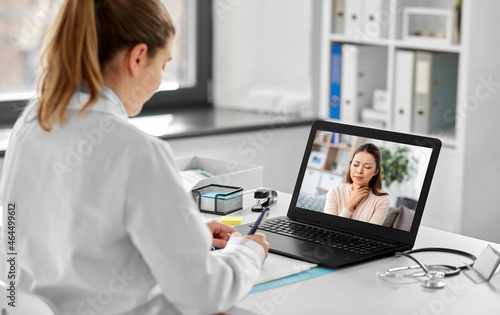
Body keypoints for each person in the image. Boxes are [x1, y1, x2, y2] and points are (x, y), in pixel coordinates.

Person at [0, 0, 269, 314]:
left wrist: (183, 233)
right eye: (164, 64)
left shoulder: (30, 125)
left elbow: (18, 240)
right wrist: (246, 251)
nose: (160, 78)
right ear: (138, 57)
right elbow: (204, 295)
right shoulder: (137, 151)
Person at [324, 143, 390, 225]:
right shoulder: (335, 192)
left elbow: (369, 234)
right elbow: (329, 228)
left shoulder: (382, 200)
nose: (359, 171)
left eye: (367, 167)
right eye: (356, 165)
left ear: (376, 172)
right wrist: (350, 205)